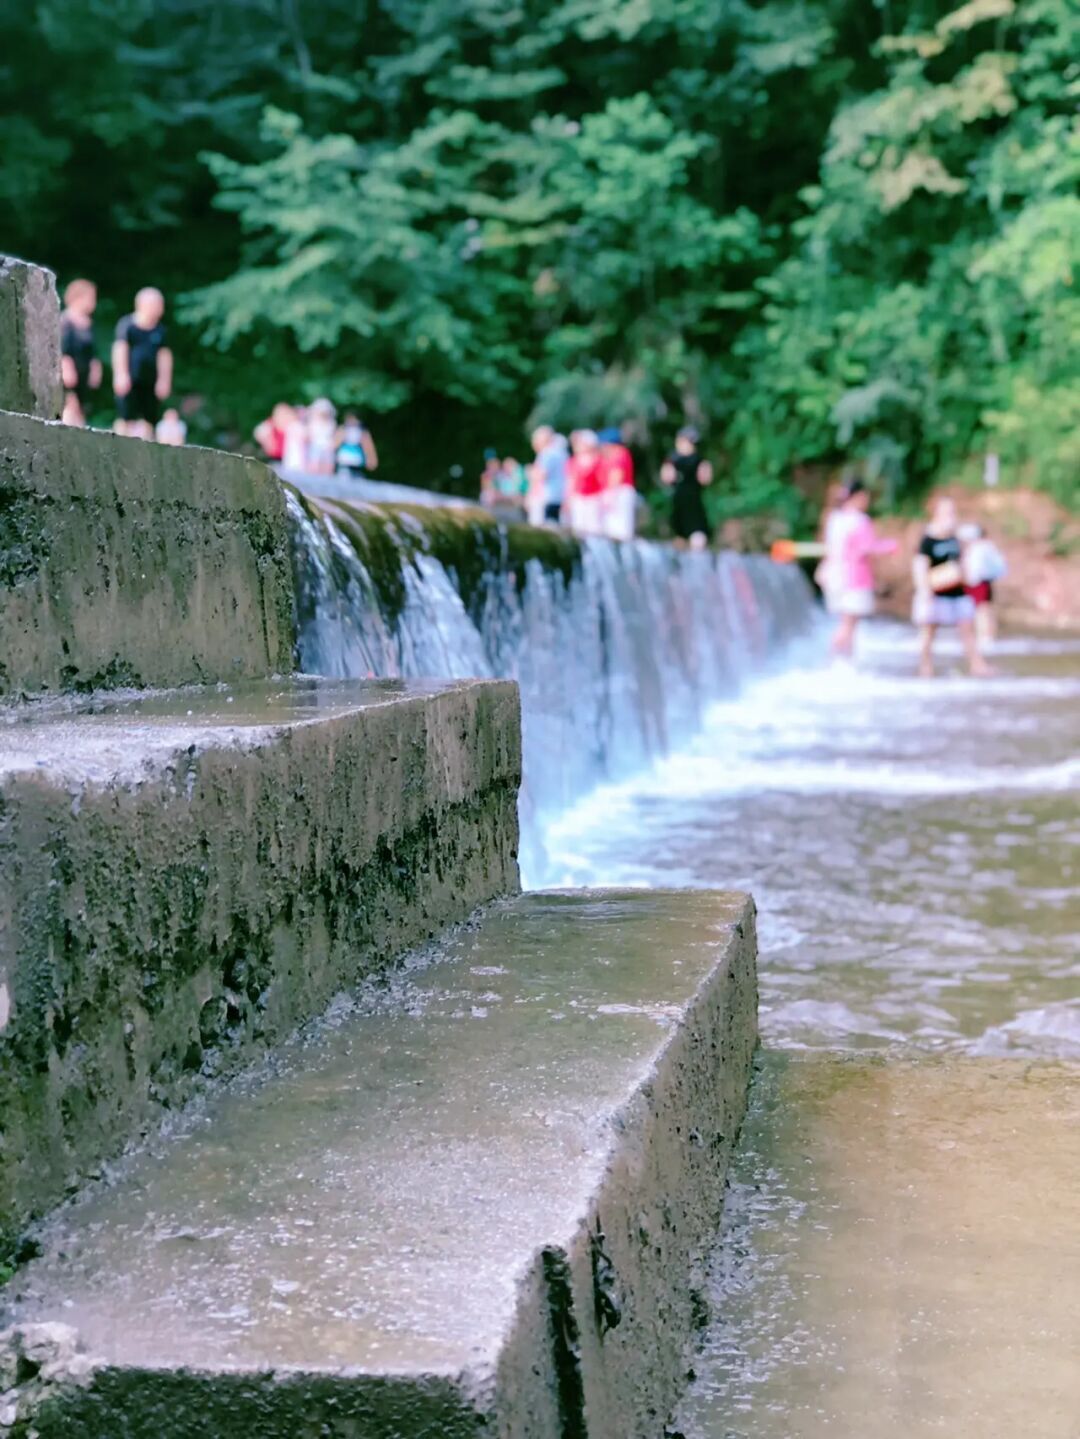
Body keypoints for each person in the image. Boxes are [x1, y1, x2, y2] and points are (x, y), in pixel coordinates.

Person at [912, 496, 993, 678]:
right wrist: (925, 591)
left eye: (952, 511)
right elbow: (921, 567)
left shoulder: (955, 538)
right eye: (947, 512)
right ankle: (926, 667)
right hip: (935, 593)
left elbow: (962, 562)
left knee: (967, 630)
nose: (951, 515)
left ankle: (977, 665)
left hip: (957, 592)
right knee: (928, 633)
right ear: (937, 514)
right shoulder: (928, 540)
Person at [817, 480, 897, 657]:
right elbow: (866, 548)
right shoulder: (859, 521)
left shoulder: (835, 519)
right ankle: (833, 662)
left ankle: (843, 663)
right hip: (853, 578)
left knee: (846, 624)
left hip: (834, 577)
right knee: (849, 625)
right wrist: (891, 546)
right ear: (858, 497)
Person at [112, 287, 172, 439]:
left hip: (150, 382)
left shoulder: (160, 330)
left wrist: (164, 380)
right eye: (158, 305)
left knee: (149, 419)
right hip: (131, 379)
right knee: (126, 417)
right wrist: (120, 374)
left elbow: (164, 356)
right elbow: (120, 349)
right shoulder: (127, 325)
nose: (161, 309)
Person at [660, 427, 712, 548]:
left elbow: (705, 478)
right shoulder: (673, 459)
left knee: (697, 540)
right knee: (680, 540)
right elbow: (667, 477)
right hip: (679, 504)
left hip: (693, 505)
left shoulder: (698, 460)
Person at [59, 279, 102, 427]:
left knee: (82, 410)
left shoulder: (88, 323)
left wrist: (95, 368)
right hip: (70, 372)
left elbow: (93, 351)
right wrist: (66, 368)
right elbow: (63, 347)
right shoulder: (65, 320)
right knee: (71, 406)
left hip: (84, 373)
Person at [959, 521, 1006, 649]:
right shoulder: (986, 546)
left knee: (982, 610)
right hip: (983, 581)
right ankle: (987, 636)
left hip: (977, 582)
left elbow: (975, 568)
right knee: (985, 609)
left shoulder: (981, 547)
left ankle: (985, 637)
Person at [598, 427, 636, 541]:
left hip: (619, 492)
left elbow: (616, 475)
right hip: (615, 491)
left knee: (621, 526)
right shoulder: (612, 456)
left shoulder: (620, 454)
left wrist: (610, 495)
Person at [565, 430, 605, 537]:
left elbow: (603, 481)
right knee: (578, 527)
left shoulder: (599, 460)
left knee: (595, 527)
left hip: (595, 498)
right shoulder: (573, 461)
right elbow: (571, 482)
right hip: (579, 498)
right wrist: (568, 499)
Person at [528, 425, 569, 525]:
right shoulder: (562, 453)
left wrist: (531, 473)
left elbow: (541, 475)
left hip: (548, 497)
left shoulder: (547, 454)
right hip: (560, 496)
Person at [336, 411, 378, 479]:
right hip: (344, 460)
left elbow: (368, 447)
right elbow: (335, 444)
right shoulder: (343, 429)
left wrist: (371, 459)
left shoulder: (362, 431)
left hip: (357, 460)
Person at [307, 397, 338, 475]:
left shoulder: (331, 423)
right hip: (316, 445)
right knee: (314, 465)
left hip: (327, 446)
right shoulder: (313, 422)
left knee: (327, 466)